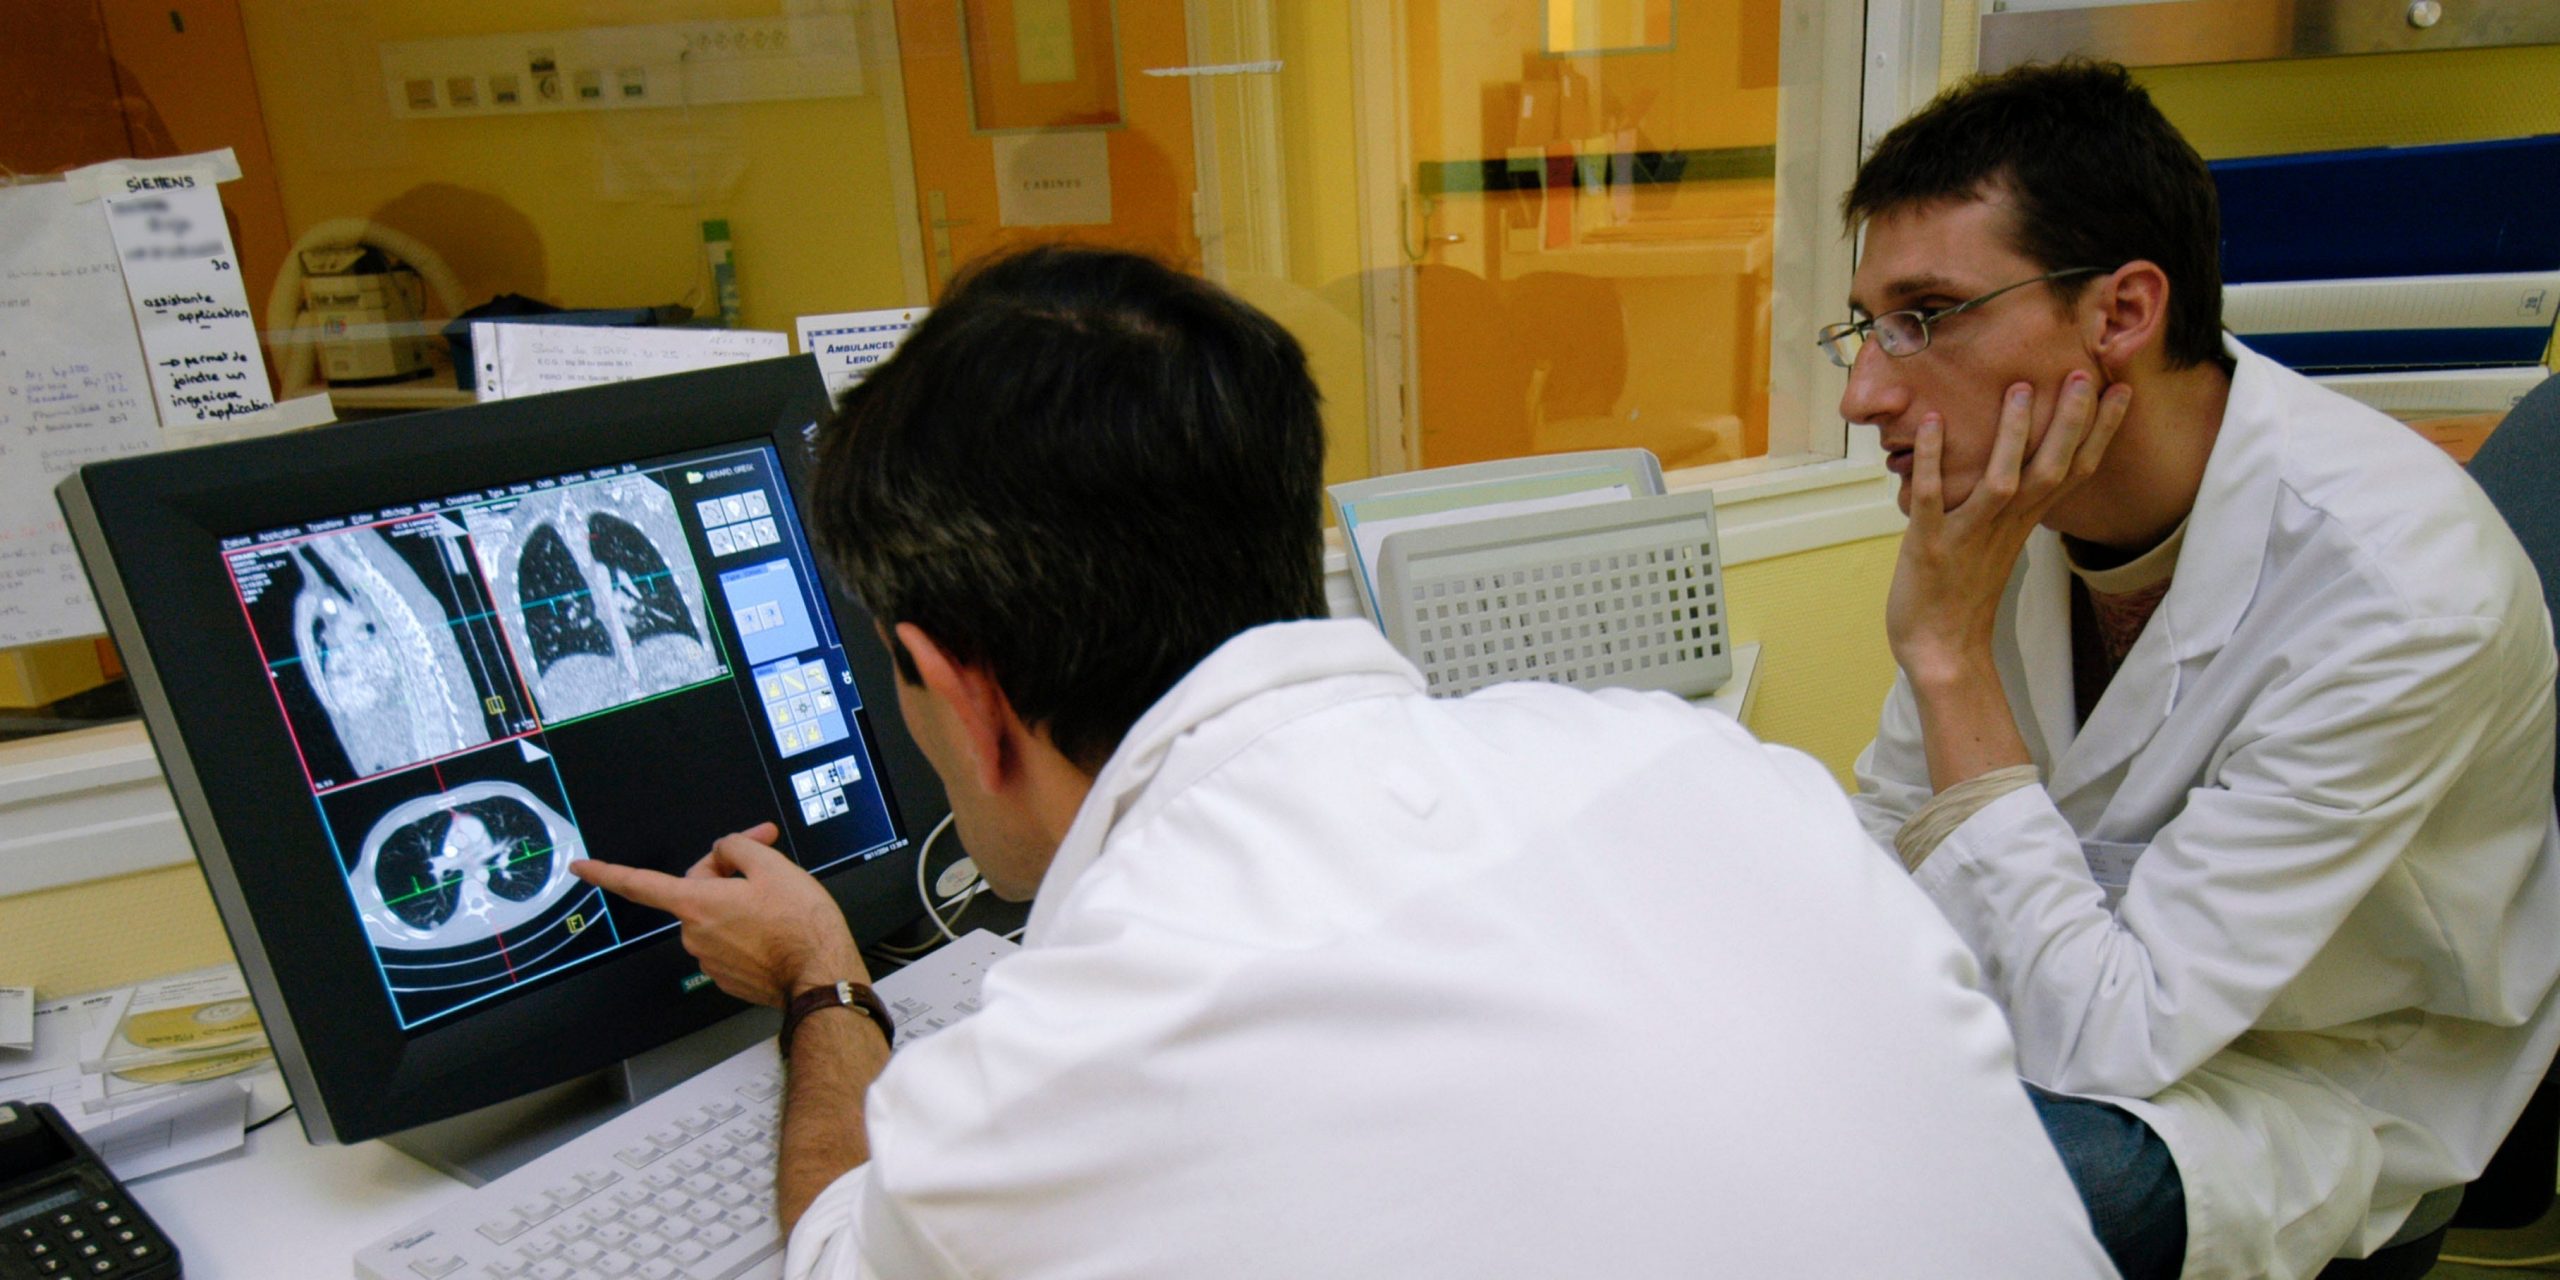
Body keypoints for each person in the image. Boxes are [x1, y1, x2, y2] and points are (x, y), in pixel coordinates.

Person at [573, 245, 2113, 1278]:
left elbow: (842, 1242)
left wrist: (827, 987)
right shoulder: (1703, 767)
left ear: (954, 693)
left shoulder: (1089, 1043)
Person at [1834, 59, 2560, 1280]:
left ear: (2120, 314)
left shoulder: (2397, 585)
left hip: (2311, 1079)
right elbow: (1886, 837)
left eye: (1926, 316)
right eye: (1863, 327)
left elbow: (2112, 1041)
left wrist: (1949, 658)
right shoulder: (2011, 510)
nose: (1863, 390)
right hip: (2079, 1007)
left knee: (1966, 1198)